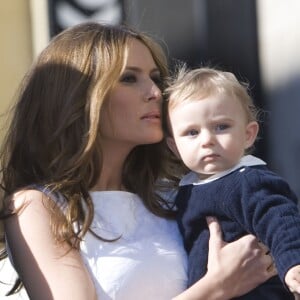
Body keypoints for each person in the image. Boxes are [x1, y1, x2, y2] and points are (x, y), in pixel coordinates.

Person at [0, 22, 275, 300]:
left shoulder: (178, 194)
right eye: (129, 78)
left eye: (155, 77)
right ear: (78, 96)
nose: (155, 92)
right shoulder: (39, 206)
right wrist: (217, 287)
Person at [165, 66, 300, 299]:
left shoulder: (248, 180)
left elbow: (280, 219)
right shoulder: (184, 191)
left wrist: (293, 263)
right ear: (175, 147)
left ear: (248, 134)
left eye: (221, 127)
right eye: (192, 132)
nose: (207, 140)